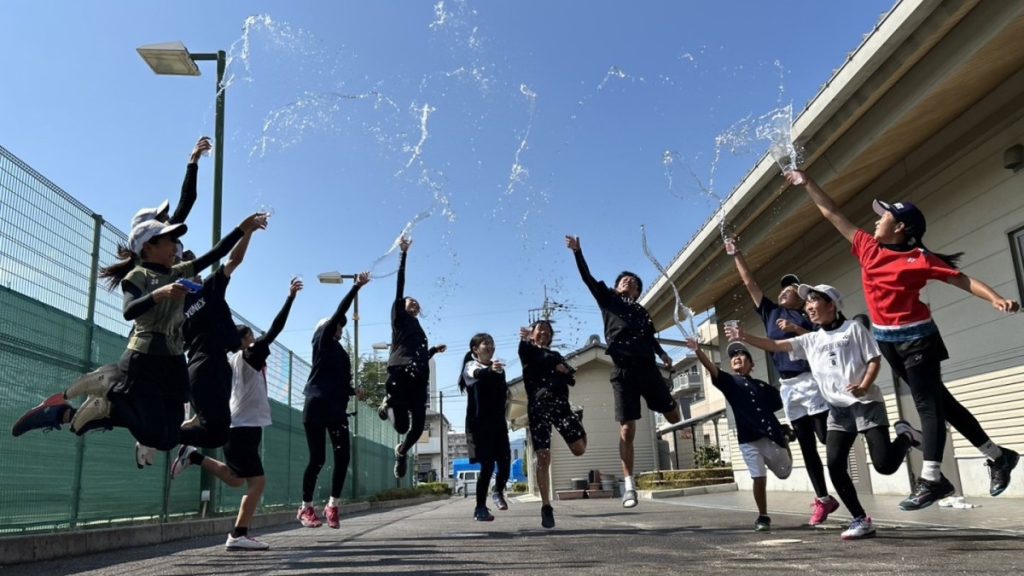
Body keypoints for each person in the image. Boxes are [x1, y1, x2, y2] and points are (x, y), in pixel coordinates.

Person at [789, 170, 1020, 510]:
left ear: (899, 227)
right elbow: (832, 213)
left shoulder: (920, 259)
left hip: (919, 340)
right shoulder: (868, 247)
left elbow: (963, 280)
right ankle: (999, 457)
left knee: (928, 407)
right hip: (887, 340)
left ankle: (932, 478)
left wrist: (995, 298)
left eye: (884, 216)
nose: (877, 220)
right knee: (945, 405)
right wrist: (808, 183)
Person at [12, 214, 265, 449]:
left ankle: (102, 407)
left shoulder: (185, 276)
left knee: (167, 439)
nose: (175, 247)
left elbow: (220, 254)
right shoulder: (139, 275)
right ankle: (108, 386)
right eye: (170, 242)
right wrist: (159, 294)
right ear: (149, 248)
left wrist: (244, 229)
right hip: (150, 359)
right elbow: (129, 310)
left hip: (174, 362)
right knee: (156, 435)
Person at [728, 283, 922, 539]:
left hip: (865, 404)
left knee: (884, 465)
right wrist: (745, 337)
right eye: (806, 303)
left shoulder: (853, 328)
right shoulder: (811, 338)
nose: (808, 306)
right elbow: (775, 345)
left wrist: (864, 385)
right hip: (838, 412)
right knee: (834, 465)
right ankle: (860, 519)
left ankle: (906, 436)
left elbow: (874, 359)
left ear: (831, 304)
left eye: (814, 301)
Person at [170, 278, 302, 550]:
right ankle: (238, 534)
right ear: (244, 340)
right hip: (243, 427)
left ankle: (192, 456)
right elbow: (275, 330)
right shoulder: (249, 356)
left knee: (235, 478)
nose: (256, 340)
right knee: (257, 483)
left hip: (239, 425)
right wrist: (290, 299)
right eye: (251, 337)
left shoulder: (231, 361)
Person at [726, 238, 837, 525]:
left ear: (804, 300)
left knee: (825, 436)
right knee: (807, 445)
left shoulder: (809, 317)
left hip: (811, 381)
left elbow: (820, 340)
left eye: (792, 290)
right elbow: (751, 284)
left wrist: (796, 327)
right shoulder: (772, 312)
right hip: (789, 386)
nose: (785, 292)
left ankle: (850, 425)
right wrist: (737, 254)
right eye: (783, 290)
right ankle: (823, 499)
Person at [565, 234, 681, 508]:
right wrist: (578, 253)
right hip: (623, 372)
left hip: (649, 370)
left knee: (674, 418)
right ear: (617, 287)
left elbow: (651, 339)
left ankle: (669, 397)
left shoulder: (642, 312)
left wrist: (664, 355)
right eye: (624, 280)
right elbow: (588, 279)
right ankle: (630, 487)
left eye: (634, 282)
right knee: (627, 430)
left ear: (638, 292)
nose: (628, 282)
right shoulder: (608, 300)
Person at [174, 217, 264, 462]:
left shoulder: (178, 307)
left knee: (214, 431)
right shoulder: (206, 291)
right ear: (185, 278)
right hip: (208, 367)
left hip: (201, 368)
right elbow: (234, 260)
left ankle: (169, 437)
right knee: (216, 434)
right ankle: (161, 436)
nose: (201, 276)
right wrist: (249, 232)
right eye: (196, 274)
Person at [684, 337, 791, 532]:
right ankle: (763, 516)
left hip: (771, 437)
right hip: (748, 440)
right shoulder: (729, 382)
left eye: (741, 354)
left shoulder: (763, 386)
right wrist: (698, 350)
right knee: (758, 477)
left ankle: (785, 437)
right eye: (733, 356)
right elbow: (712, 369)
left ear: (751, 363)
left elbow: (779, 402)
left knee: (784, 473)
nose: (736, 357)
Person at [296, 272, 371, 529]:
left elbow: (338, 381)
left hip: (335, 408)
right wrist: (355, 287)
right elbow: (340, 312)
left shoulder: (339, 352)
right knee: (317, 459)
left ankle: (332, 505)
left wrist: (353, 391)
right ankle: (305, 507)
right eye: (337, 325)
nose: (340, 328)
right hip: (316, 406)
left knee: (343, 457)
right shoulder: (322, 341)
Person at [378, 238, 446, 479]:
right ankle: (388, 401)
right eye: (411, 301)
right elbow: (400, 285)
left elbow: (417, 355)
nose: (414, 303)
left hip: (418, 380)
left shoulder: (419, 330)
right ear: (402, 305)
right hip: (399, 373)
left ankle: (402, 451)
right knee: (401, 426)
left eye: (417, 303)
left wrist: (432, 352)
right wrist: (403, 255)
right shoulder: (398, 317)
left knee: (415, 428)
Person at [518, 320, 586, 528]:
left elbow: (572, 378)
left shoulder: (556, 355)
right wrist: (525, 338)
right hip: (538, 408)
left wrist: (563, 370)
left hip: (562, 407)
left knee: (579, 450)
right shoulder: (528, 350)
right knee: (543, 456)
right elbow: (525, 349)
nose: (544, 333)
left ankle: (579, 421)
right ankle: (546, 506)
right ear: (533, 334)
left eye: (548, 331)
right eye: (540, 330)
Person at [459, 333, 511, 522]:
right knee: (487, 465)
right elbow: (478, 374)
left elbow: (502, 393)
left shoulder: (498, 369)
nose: (490, 346)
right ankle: (480, 507)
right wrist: (492, 371)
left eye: (491, 343)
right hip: (479, 424)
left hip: (498, 423)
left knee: (505, 462)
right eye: (485, 344)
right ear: (475, 349)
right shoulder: (471, 366)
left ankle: (498, 491)